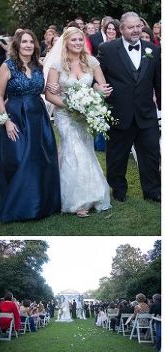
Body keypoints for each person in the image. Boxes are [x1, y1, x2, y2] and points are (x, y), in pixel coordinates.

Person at [44, 27, 113, 217]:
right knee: (73, 152)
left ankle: (91, 195)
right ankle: (76, 202)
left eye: (80, 40)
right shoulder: (57, 65)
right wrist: (70, 106)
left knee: (86, 151)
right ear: (66, 42)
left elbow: (101, 84)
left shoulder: (91, 62)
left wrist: (99, 93)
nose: (77, 43)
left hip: (85, 115)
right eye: (73, 40)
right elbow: (49, 94)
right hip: (65, 115)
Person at [0, 29, 61, 223]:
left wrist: (55, 88)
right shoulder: (7, 66)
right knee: (17, 158)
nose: (28, 45)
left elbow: (47, 89)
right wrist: (6, 121)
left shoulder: (38, 66)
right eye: (24, 42)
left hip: (38, 118)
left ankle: (40, 205)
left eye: (31, 42)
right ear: (17, 44)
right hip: (15, 116)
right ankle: (16, 206)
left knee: (41, 160)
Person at [98, 12, 161, 203]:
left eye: (138, 26)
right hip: (119, 112)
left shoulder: (153, 50)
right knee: (117, 155)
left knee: (151, 153)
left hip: (146, 112)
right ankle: (118, 190)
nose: (136, 30)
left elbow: (159, 83)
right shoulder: (107, 49)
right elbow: (97, 77)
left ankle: (153, 191)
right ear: (121, 29)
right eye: (131, 27)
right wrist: (97, 87)